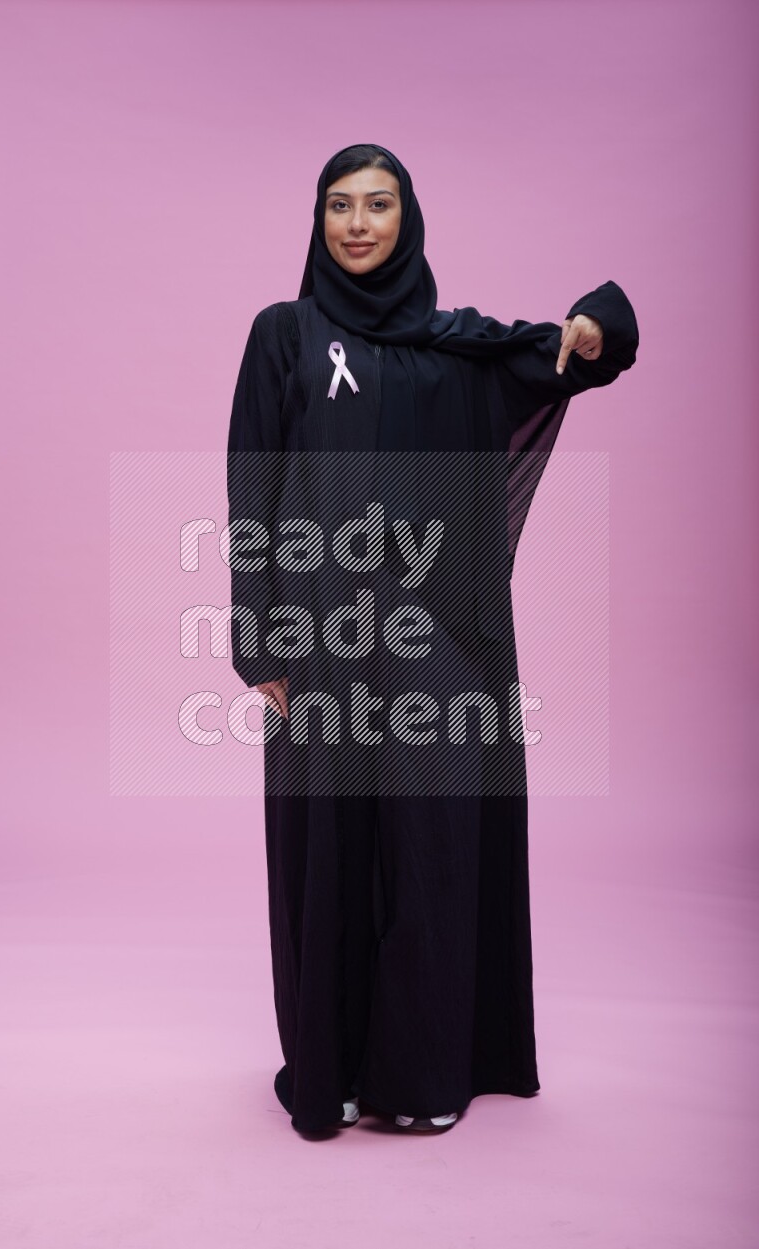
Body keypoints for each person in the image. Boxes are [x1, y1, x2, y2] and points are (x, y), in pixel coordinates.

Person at [226, 143, 639, 1135]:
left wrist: (596, 323)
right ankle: (335, 1066)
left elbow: (581, 352)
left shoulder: (452, 348)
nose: (357, 224)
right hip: (321, 645)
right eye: (338, 205)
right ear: (316, 219)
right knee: (329, 850)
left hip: (432, 649)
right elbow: (252, 489)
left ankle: (417, 1077)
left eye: (377, 205)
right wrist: (261, 643)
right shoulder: (284, 335)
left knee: (428, 848)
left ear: (407, 219)